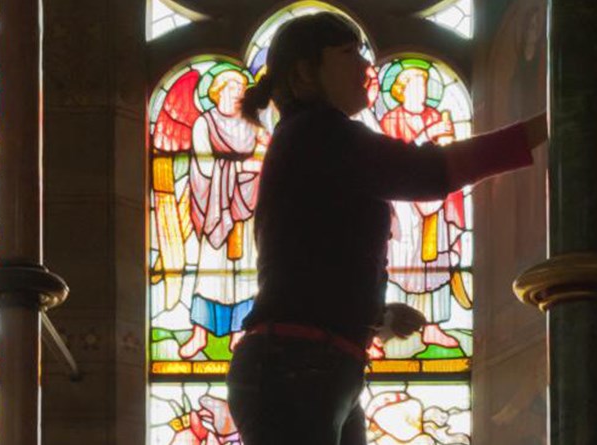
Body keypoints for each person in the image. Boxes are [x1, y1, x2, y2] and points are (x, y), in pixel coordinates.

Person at [225, 12, 546, 444]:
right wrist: (544, 127)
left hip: (312, 367)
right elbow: (432, 173)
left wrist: (379, 317)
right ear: (304, 74)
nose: (364, 67)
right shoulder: (320, 133)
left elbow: (310, 262)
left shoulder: (310, 139)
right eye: (346, 54)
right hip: (297, 369)